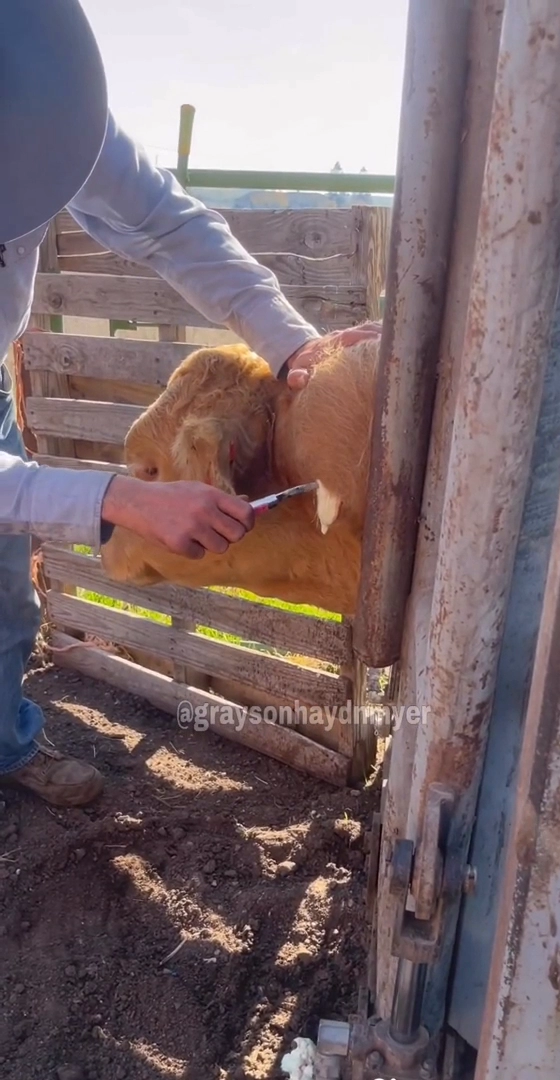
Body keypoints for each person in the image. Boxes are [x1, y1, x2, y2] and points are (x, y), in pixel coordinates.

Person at [0, 0, 381, 809]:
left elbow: (170, 226)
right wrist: (117, 498)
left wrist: (292, 346)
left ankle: (5, 742)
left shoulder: (39, 92)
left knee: (6, 595)